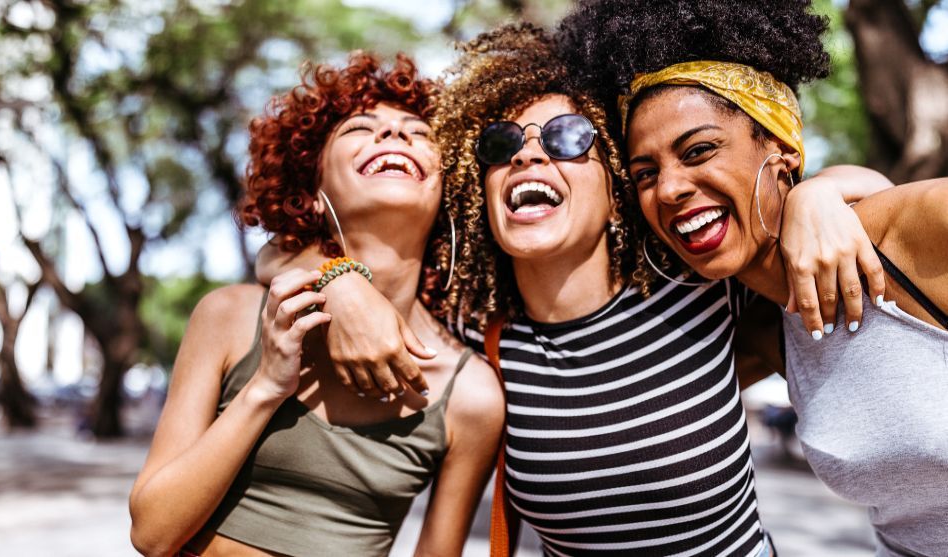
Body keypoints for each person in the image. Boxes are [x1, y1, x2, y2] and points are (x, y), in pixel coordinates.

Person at [257, 24, 891, 556]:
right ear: (479, 193)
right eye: (502, 144)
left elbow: (877, 196)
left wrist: (816, 193)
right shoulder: (473, 334)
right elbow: (277, 253)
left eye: (566, 139)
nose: (530, 158)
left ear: (616, 190)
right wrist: (343, 285)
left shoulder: (699, 286)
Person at [570, 1, 948, 554]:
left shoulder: (915, 230)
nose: (669, 188)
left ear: (781, 149)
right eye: (645, 173)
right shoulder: (760, 331)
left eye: (699, 150)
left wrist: (824, 187)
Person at [128, 52, 504, 557]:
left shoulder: (472, 395)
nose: (394, 135)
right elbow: (151, 534)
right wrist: (265, 387)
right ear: (313, 182)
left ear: (450, 189)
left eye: (417, 132)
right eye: (361, 128)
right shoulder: (231, 316)